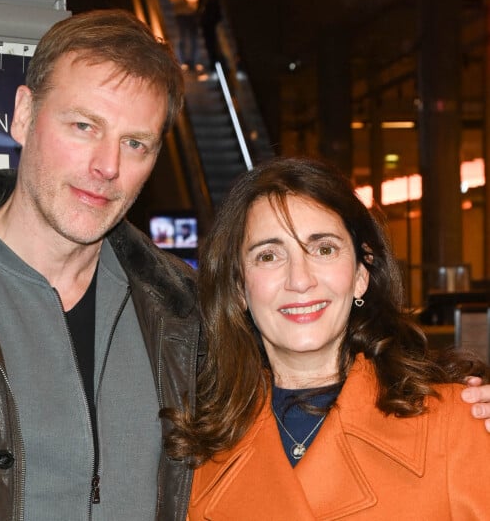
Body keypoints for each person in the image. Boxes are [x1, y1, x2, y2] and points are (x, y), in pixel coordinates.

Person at [0, 9, 202, 521]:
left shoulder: (187, 314)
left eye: (135, 143)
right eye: (84, 126)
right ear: (23, 115)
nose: (107, 166)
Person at [164, 156, 490, 519]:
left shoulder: (457, 423)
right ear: (240, 287)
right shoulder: (196, 454)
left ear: (360, 274)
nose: (300, 280)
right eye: (269, 256)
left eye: (324, 249)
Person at [167, 0, 201, 72]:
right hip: (181, 14)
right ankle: (181, 62)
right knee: (182, 38)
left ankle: (194, 62)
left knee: (194, 39)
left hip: (193, 13)